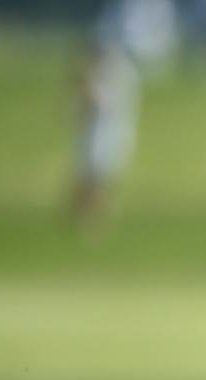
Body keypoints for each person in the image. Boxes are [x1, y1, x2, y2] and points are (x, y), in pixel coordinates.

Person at [70, 33, 140, 231]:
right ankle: (93, 219)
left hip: (103, 135)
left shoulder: (114, 73)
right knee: (95, 181)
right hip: (111, 133)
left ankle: (93, 222)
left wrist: (81, 80)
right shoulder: (125, 72)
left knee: (94, 181)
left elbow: (97, 102)